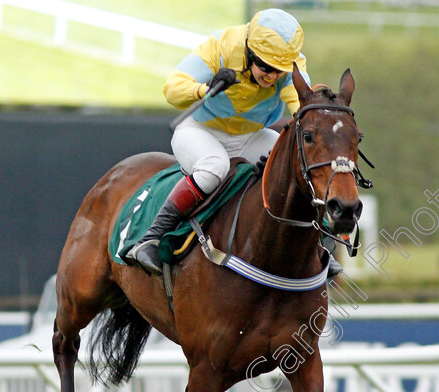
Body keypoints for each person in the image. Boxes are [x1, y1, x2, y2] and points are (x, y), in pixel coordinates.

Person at [127, 8, 342, 278]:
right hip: (200, 129)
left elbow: (300, 104)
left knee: (294, 163)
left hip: (250, 136)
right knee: (214, 166)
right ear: (250, 53)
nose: (271, 76)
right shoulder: (221, 45)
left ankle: (318, 245)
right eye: (265, 66)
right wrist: (204, 89)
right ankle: (152, 237)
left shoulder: (291, 65)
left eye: (279, 71)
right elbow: (172, 87)